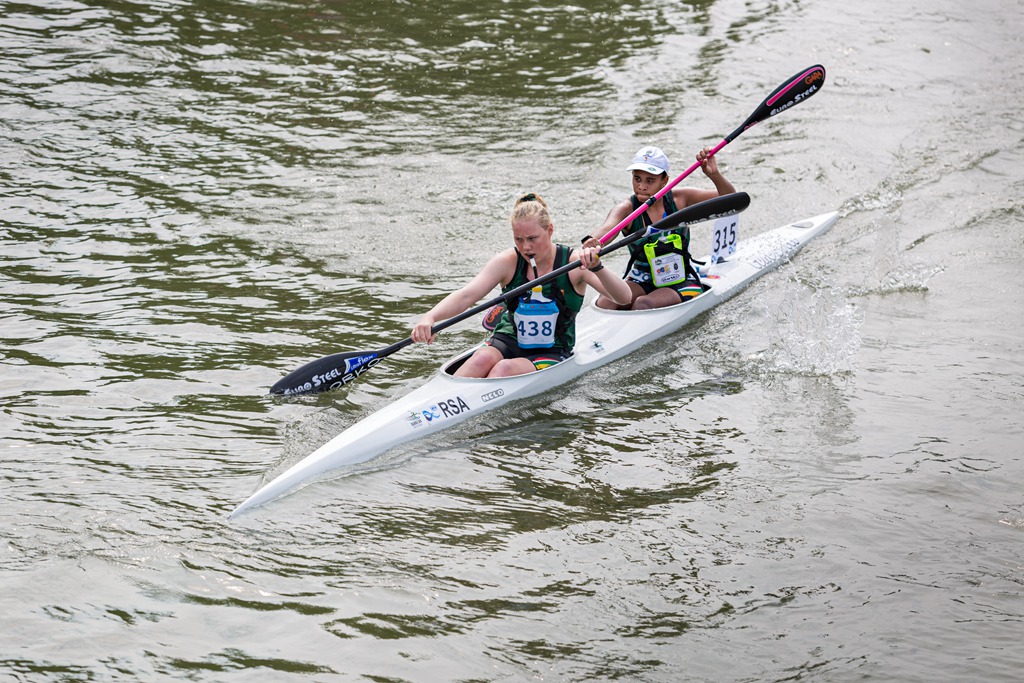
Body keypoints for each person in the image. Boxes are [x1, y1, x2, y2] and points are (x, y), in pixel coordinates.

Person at [412, 193, 633, 378]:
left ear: (550, 230)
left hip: (553, 350)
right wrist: (429, 317)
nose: (525, 247)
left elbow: (624, 298)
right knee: (480, 359)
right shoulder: (507, 262)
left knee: (504, 369)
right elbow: (467, 296)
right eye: (518, 239)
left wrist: (597, 267)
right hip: (509, 338)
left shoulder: (573, 263)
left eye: (532, 238)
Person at [582, 145, 736, 310]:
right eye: (637, 178)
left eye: (650, 180)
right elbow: (606, 229)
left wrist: (714, 175)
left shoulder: (680, 199)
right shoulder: (627, 209)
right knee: (606, 302)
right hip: (641, 279)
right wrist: (592, 243)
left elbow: (731, 200)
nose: (642, 186)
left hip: (681, 279)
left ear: (664, 181)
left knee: (643, 304)